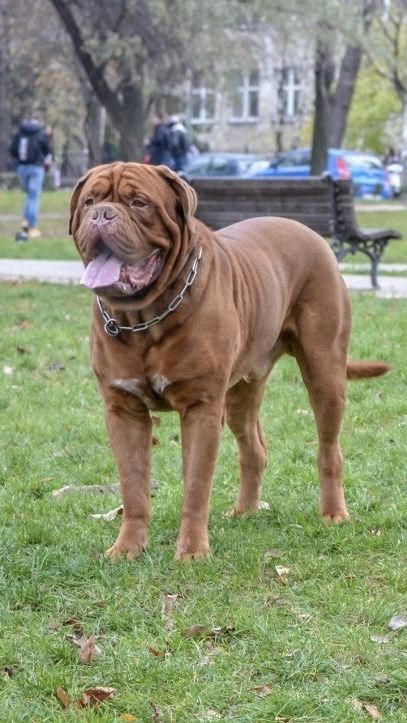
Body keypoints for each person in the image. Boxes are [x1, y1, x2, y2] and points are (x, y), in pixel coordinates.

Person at [9, 116, 53, 240]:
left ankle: (25, 221)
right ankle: (32, 227)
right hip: (36, 168)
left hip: (22, 168)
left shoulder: (20, 131)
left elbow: (12, 149)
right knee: (34, 196)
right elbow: (48, 150)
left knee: (29, 194)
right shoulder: (41, 132)